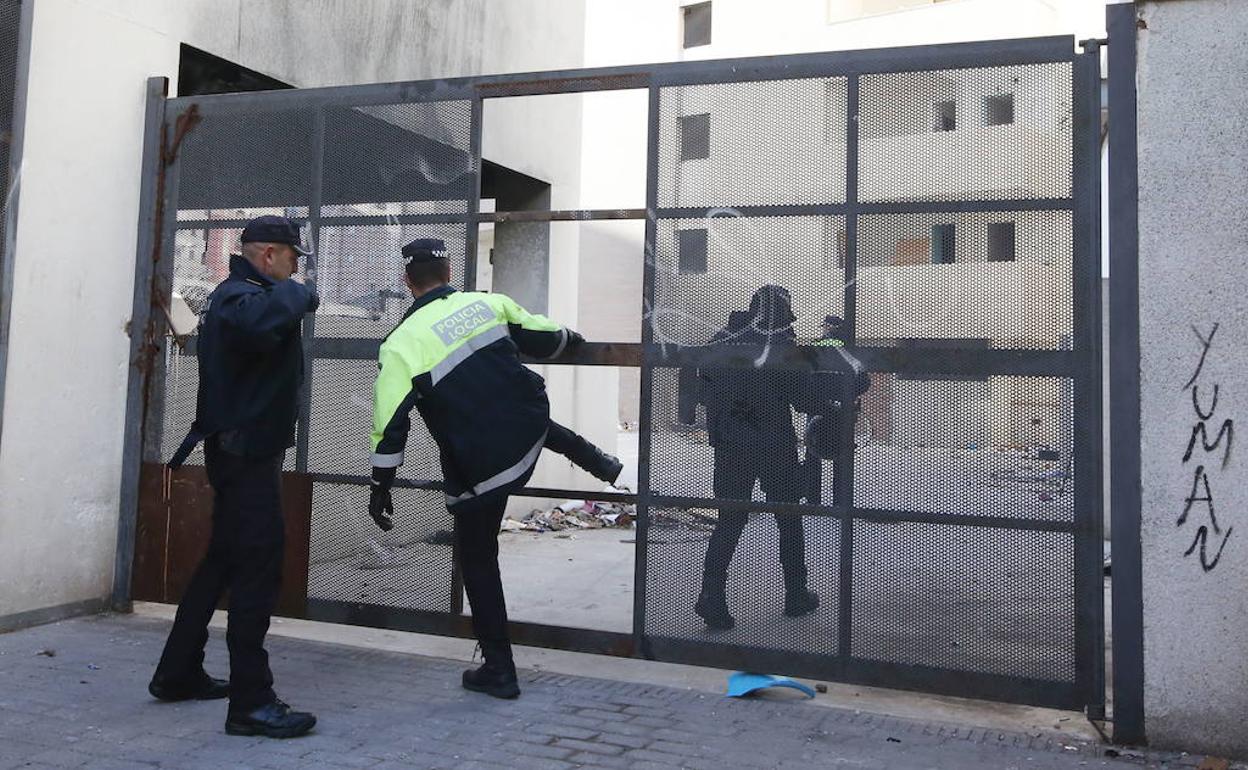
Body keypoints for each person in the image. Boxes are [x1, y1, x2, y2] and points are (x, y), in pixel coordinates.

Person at [366, 238, 621, 699]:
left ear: (407, 282)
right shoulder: (486, 304)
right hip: (525, 427)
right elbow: (548, 337)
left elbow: (389, 423)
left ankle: (499, 669)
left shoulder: (401, 343)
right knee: (526, 418)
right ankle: (599, 461)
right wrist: (572, 338)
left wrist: (381, 483)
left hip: (478, 462)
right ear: (449, 270)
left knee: (478, 560)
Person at [150, 215, 318, 739]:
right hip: (244, 458)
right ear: (268, 255)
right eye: (292, 259)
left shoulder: (246, 294)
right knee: (257, 572)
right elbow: (260, 320)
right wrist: (302, 293)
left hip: (244, 453)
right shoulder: (236, 297)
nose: (295, 270)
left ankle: (177, 672)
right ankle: (252, 701)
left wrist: (294, 293)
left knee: (221, 562)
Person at [693, 285, 821, 631]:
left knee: (730, 521)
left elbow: (700, 385)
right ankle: (795, 595)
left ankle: (711, 597)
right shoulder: (780, 344)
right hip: (773, 444)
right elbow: (806, 400)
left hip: (731, 443)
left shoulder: (724, 338)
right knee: (789, 518)